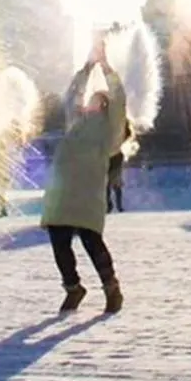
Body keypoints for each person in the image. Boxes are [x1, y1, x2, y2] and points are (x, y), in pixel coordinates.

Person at [42, 38, 128, 313]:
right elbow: (72, 96)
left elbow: (120, 102)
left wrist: (105, 67)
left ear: (105, 107)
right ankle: (73, 288)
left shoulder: (108, 132)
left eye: (97, 99)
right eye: (90, 98)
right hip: (62, 192)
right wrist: (87, 67)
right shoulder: (76, 124)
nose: (90, 101)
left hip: (87, 192)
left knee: (91, 241)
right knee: (58, 239)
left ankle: (112, 290)